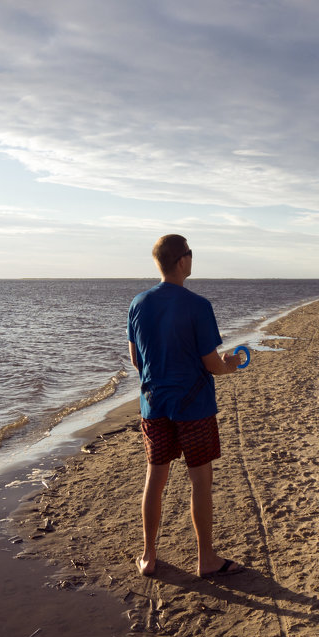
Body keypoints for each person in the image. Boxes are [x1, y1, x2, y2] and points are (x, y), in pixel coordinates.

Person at [127, 234, 246, 578]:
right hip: (194, 407)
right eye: (190, 254)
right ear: (182, 261)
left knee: (155, 477)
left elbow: (137, 360)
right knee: (200, 480)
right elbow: (212, 365)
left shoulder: (138, 303)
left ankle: (148, 556)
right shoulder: (198, 306)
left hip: (154, 404)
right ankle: (206, 558)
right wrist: (231, 363)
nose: (192, 259)